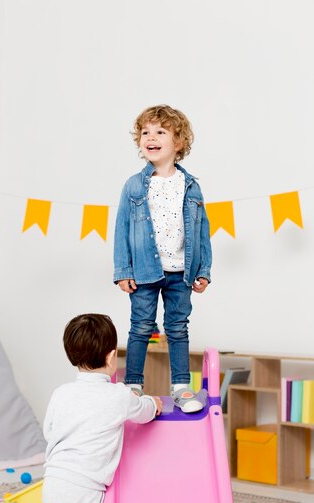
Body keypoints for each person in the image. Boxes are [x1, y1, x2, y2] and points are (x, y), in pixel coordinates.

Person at [42, 313, 162, 503]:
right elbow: (144, 411)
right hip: (84, 486)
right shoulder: (118, 396)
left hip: (54, 479)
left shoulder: (61, 394)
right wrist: (155, 404)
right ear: (111, 357)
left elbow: (48, 431)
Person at [113, 105, 212, 413]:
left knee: (178, 328)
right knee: (141, 326)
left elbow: (203, 230)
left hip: (181, 272)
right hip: (144, 271)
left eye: (160, 132)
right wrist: (122, 270)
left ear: (178, 143)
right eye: (145, 132)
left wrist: (204, 270)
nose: (150, 138)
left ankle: (181, 387)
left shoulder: (191, 186)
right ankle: (133, 386)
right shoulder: (134, 185)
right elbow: (121, 228)